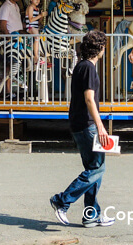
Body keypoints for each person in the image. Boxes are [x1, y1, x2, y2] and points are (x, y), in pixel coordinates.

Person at [50, 30, 115, 228]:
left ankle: (91, 215)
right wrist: (100, 126)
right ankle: (62, 200)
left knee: (93, 169)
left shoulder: (81, 66)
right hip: (87, 125)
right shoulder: (88, 68)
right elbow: (89, 98)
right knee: (97, 168)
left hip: (79, 123)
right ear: (101, 48)